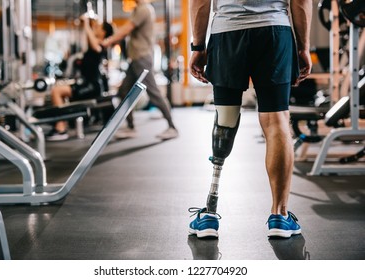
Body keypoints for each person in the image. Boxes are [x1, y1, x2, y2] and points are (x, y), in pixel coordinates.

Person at [188, 0, 312, 238]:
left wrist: (197, 45)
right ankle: (280, 215)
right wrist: (303, 46)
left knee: (225, 118)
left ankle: (210, 215)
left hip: (227, 32)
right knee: (277, 121)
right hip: (274, 31)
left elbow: (200, 1)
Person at [102, 0, 178, 140]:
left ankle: (172, 127)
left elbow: (126, 30)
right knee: (124, 91)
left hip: (142, 57)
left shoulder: (144, 9)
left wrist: (107, 41)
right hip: (136, 58)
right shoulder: (138, 9)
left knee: (153, 92)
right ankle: (130, 127)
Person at [46, 16, 114, 141]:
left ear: (103, 33)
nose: (95, 28)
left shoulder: (100, 46)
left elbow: (94, 44)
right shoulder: (93, 45)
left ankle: (61, 128)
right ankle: (61, 125)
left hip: (92, 86)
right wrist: (88, 23)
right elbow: (89, 38)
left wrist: (87, 23)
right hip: (86, 84)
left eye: (98, 27)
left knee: (57, 91)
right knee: (58, 91)